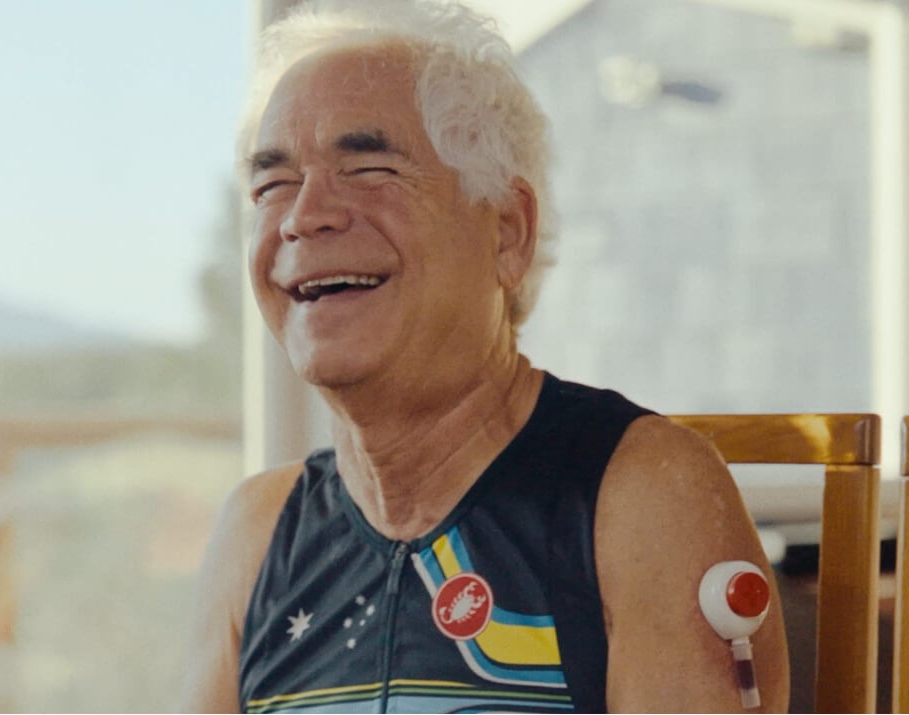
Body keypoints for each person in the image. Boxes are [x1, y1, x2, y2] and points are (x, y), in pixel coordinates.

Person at [182, 1, 789, 711]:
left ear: (506, 232)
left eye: (369, 166)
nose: (302, 214)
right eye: (271, 184)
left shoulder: (642, 497)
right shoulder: (259, 532)